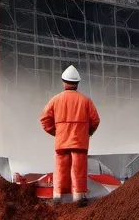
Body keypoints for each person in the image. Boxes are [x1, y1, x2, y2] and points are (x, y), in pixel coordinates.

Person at [39, 65, 101, 206]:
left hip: (61, 141)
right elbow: (95, 120)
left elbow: (44, 119)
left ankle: (57, 197)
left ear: (63, 82)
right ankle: (78, 198)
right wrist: (87, 132)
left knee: (60, 168)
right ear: (77, 83)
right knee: (79, 168)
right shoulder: (86, 101)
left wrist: (56, 132)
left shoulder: (55, 100)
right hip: (80, 142)